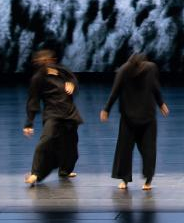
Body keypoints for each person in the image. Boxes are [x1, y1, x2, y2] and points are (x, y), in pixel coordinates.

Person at [100, 53, 170, 190]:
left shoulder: (124, 69)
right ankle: (147, 181)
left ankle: (125, 180)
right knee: (148, 148)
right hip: (145, 116)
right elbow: (155, 87)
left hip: (130, 116)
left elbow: (115, 91)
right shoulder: (151, 67)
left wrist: (106, 109)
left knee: (125, 149)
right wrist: (161, 103)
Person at [23, 49, 83, 185]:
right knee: (45, 141)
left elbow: (73, 80)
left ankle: (65, 170)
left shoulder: (62, 71)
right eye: (42, 62)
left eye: (47, 61)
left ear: (52, 61)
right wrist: (29, 123)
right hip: (53, 114)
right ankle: (35, 173)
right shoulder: (38, 78)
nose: (45, 64)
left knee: (71, 147)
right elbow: (33, 101)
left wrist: (72, 84)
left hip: (69, 113)